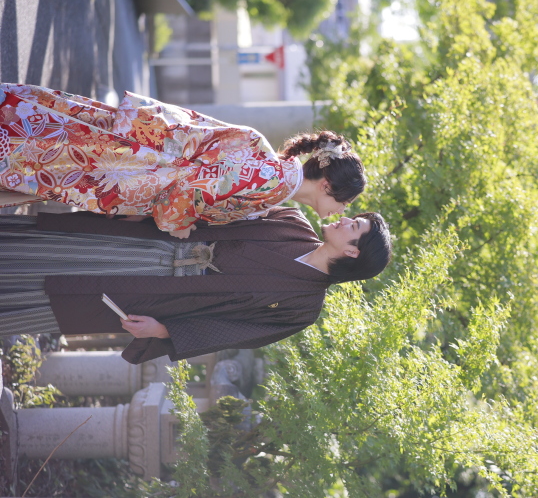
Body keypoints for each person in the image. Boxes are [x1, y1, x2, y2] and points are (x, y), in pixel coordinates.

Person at [0, 207, 391, 364]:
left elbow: (236, 332)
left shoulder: (303, 306)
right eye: (352, 217)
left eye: (353, 226)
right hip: (156, 242)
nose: (344, 220)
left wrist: (164, 330)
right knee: (66, 247)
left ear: (354, 253)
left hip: (159, 294)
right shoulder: (292, 223)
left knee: (66, 293)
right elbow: (224, 205)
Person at [0, 84, 365, 238]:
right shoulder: (270, 180)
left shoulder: (272, 173)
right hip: (135, 168)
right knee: (43, 156)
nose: (342, 211)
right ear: (328, 185)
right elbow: (192, 186)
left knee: (51, 139)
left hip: (140, 154)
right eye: (344, 202)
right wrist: (176, 225)